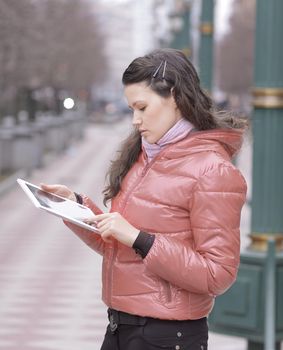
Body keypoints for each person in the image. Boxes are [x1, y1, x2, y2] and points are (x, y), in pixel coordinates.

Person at [41, 48, 247, 350]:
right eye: (131, 110)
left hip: (167, 336)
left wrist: (141, 239)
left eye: (142, 108)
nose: (135, 121)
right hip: (120, 327)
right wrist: (74, 206)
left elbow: (218, 274)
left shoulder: (212, 170)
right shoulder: (143, 158)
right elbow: (118, 246)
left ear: (174, 97)